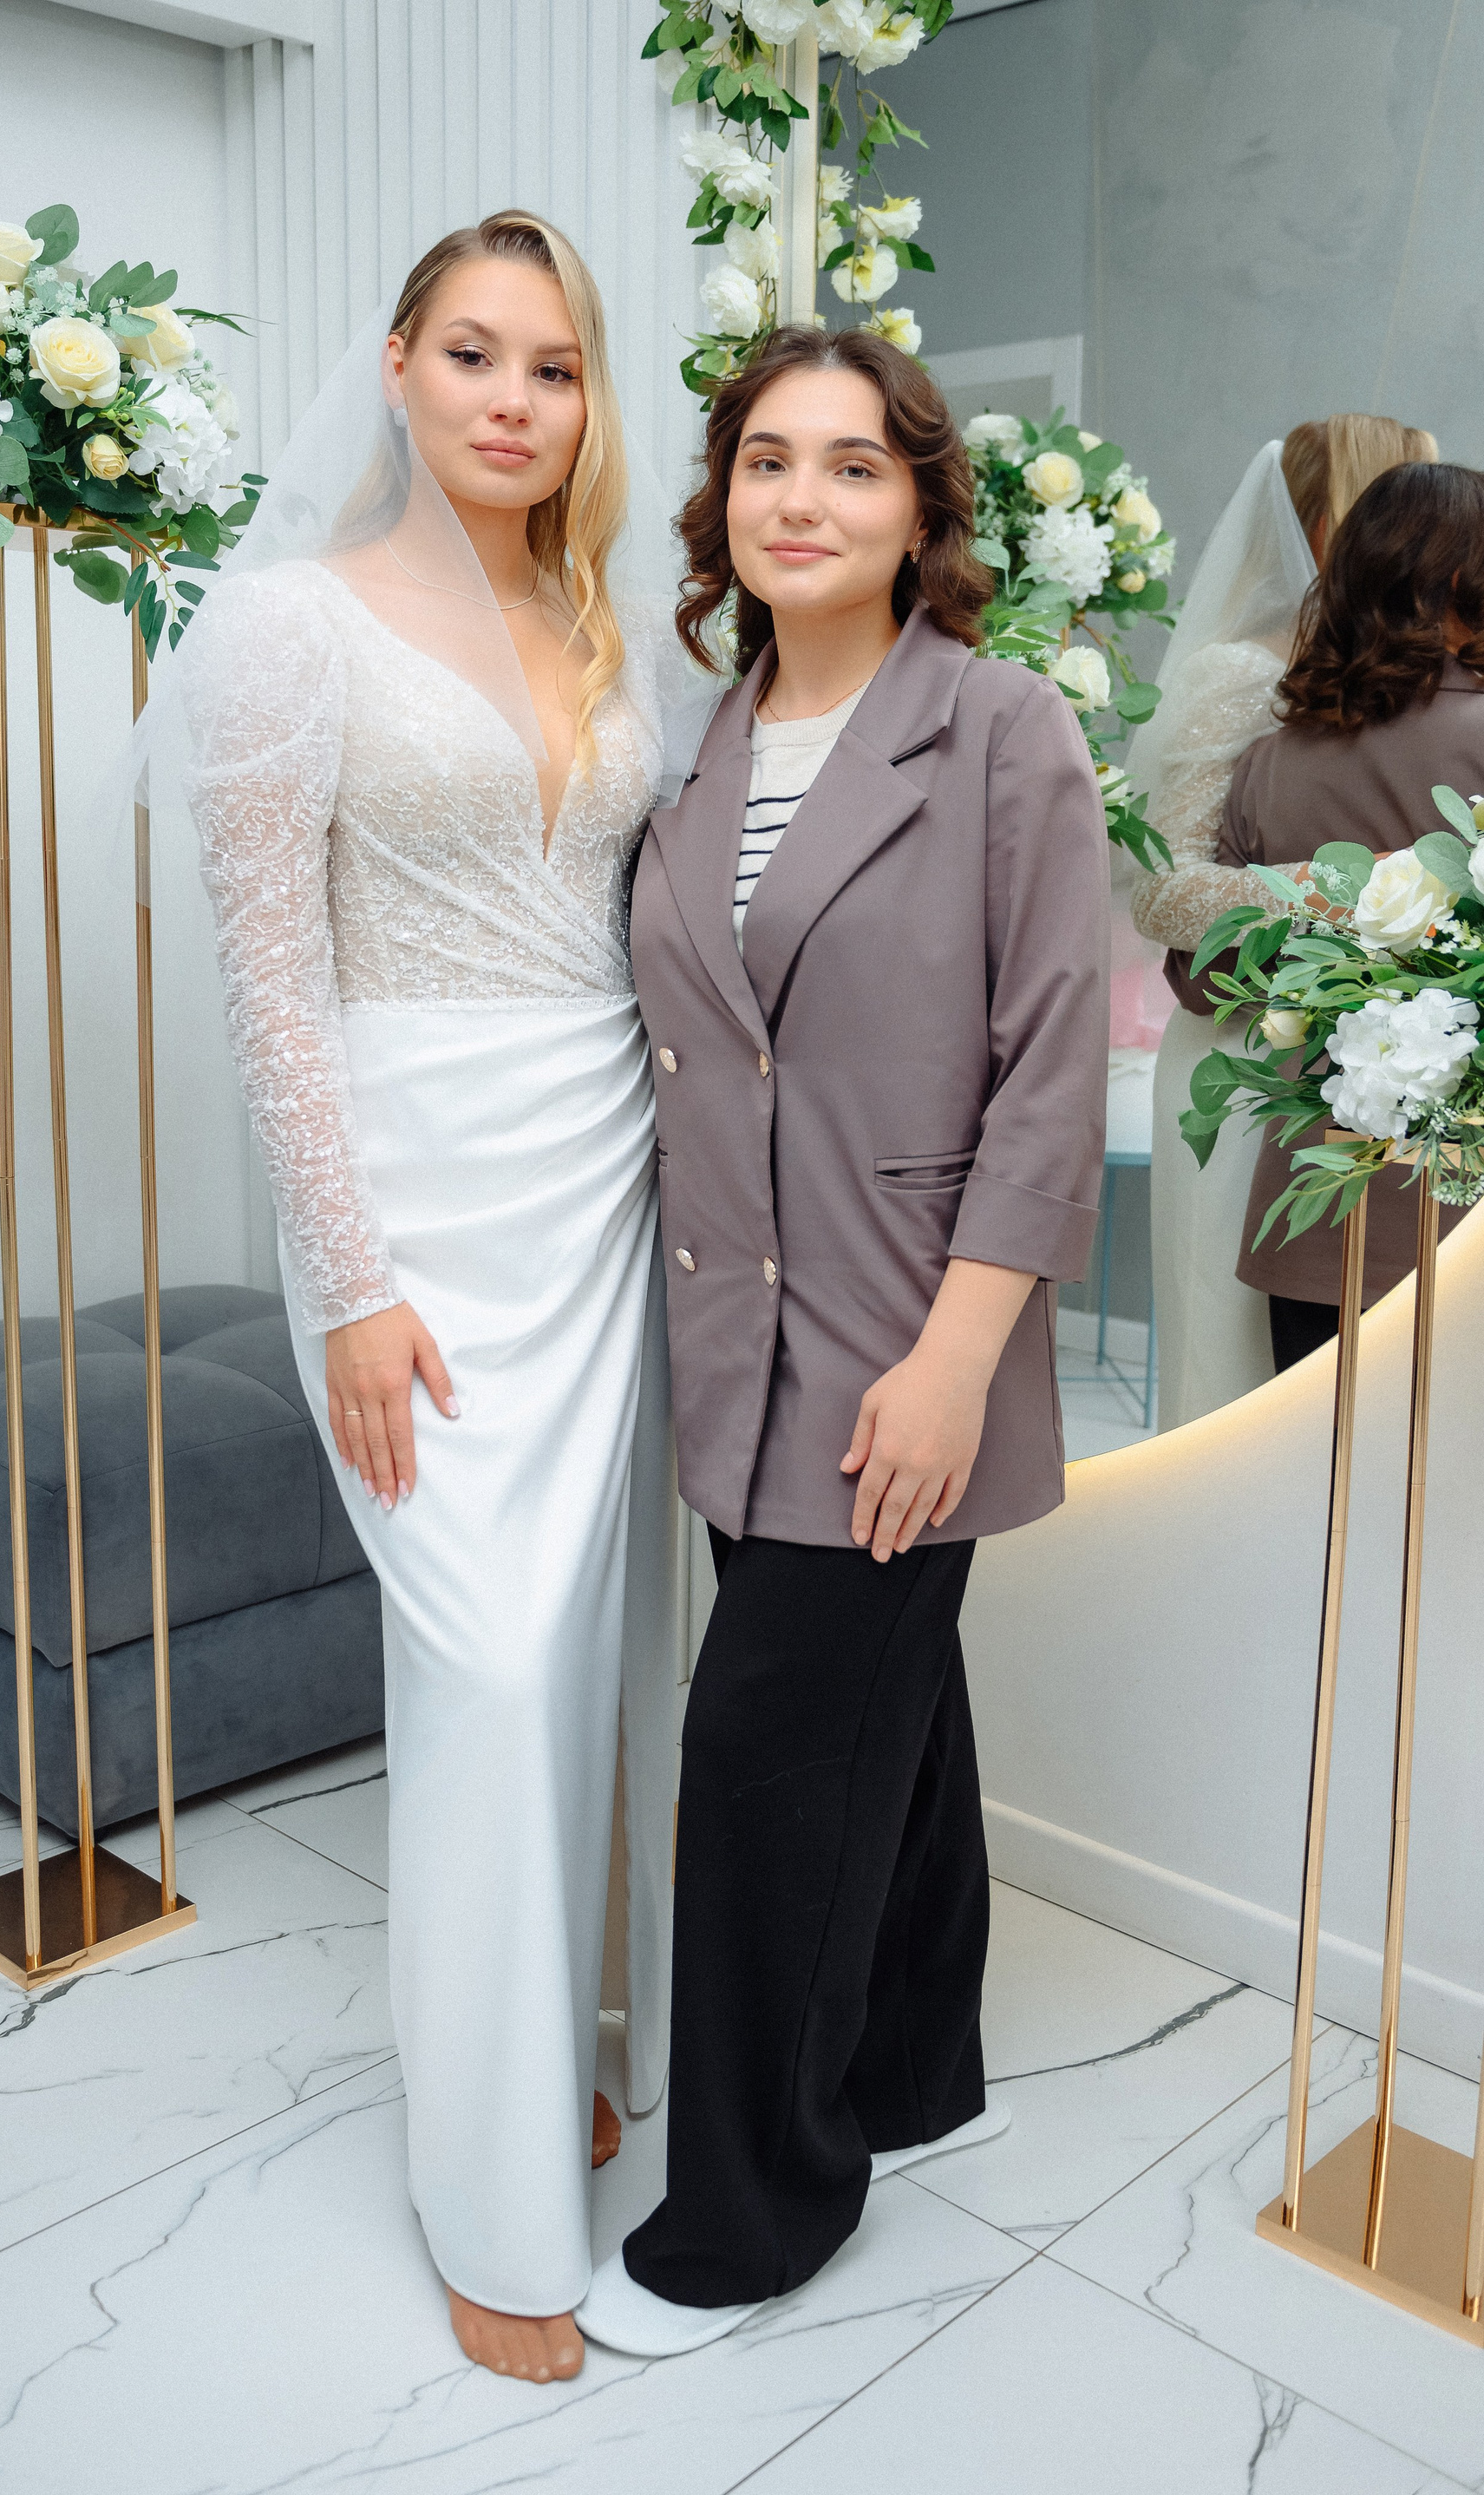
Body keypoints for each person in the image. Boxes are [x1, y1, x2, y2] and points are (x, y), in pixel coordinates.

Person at [178, 212, 683, 2384]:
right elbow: (268, 981)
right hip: (414, 1192)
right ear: (394, 366)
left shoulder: (602, 617)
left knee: (584, 1651)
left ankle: (557, 2053)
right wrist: (351, 1283)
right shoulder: (285, 624)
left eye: (553, 366)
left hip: (609, 1174)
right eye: (473, 352)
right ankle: (489, 2203)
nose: (513, 398)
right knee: (480, 1666)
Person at [575, 327, 1110, 2358]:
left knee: (764, 1760)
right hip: (735, 1335)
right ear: (720, 497)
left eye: (854, 465)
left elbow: (1049, 1067)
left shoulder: (998, 729)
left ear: (919, 508)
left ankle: (750, 2212)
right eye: (767, 461)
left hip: (906, 1337)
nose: (802, 498)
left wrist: (959, 1356)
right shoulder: (697, 743)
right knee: (892, 1709)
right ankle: (909, 2070)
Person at [1128, 416, 1436, 1429]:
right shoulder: (1239, 671)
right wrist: (1341, 889)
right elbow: (1162, 888)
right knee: (1231, 1358)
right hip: (1240, 1058)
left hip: (1361, 1066)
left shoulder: (1406, 683)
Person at [1216, 459, 1484, 1364]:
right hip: (1466, 1211)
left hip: (1318, 1208)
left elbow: (1207, 980)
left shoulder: (1269, 763)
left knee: (1324, 1457)